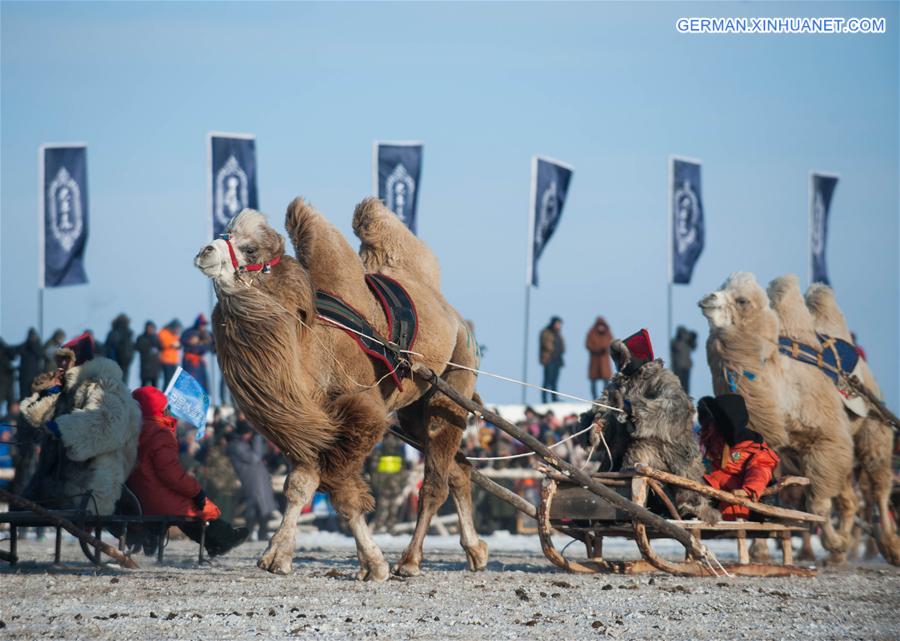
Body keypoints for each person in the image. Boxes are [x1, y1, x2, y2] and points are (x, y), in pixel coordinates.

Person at [19, 332, 141, 514]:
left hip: (89, 480)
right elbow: (34, 418)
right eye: (59, 360)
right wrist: (48, 395)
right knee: (21, 506)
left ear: (79, 361)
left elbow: (105, 421)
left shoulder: (100, 385)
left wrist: (63, 428)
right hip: (57, 475)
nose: (60, 365)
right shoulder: (66, 389)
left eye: (66, 360)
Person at [127, 387, 248, 557]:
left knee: (185, 507)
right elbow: (170, 473)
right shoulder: (159, 433)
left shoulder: (133, 431)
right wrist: (196, 490)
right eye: (164, 407)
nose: (167, 409)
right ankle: (224, 538)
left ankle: (215, 542)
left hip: (139, 496)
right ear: (158, 408)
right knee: (196, 505)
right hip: (156, 497)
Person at [698, 394, 780, 521]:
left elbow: (760, 469)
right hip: (718, 497)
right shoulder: (719, 444)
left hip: (745, 505)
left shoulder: (754, 450)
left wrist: (749, 490)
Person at [227, 415, 277, 541]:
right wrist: (258, 438)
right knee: (254, 508)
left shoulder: (243, 443)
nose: (250, 436)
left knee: (263, 508)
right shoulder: (236, 446)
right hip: (252, 480)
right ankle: (248, 534)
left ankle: (262, 533)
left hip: (259, 480)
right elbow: (255, 457)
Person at [181, 315, 213, 392]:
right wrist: (190, 342)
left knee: (202, 382)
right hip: (189, 361)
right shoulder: (188, 331)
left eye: (204, 324)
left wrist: (199, 343)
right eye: (201, 323)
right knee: (189, 381)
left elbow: (210, 345)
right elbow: (182, 341)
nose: (202, 326)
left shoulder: (206, 333)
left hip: (200, 362)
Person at [585, 317, 613, 398]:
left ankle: (605, 397)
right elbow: (588, 344)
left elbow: (611, 344)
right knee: (593, 381)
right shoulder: (591, 333)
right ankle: (594, 398)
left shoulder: (608, 333)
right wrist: (597, 349)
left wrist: (605, 349)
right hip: (595, 361)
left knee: (606, 381)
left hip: (604, 362)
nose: (601, 328)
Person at [539, 316, 565, 403]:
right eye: (557, 324)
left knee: (555, 380)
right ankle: (544, 400)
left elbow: (562, 346)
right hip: (549, 359)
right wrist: (553, 350)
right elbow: (546, 345)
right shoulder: (546, 332)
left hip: (557, 359)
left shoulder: (558, 333)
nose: (559, 326)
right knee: (547, 380)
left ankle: (554, 398)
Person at [105, 314, 135, 383]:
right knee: (123, 382)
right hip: (125, 361)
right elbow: (131, 348)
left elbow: (108, 348)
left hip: (119, 362)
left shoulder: (114, 332)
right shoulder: (128, 333)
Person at [17, 328, 44, 400]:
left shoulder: (37, 346)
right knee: (24, 397)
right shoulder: (25, 346)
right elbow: (14, 352)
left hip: (34, 376)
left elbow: (41, 355)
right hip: (25, 377)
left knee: (34, 396)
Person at [670, 325, 698, 393]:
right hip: (678, 367)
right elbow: (676, 347)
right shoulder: (676, 342)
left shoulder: (687, 342)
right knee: (678, 386)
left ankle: (685, 399)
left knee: (685, 387)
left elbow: (694, 346)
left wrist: (692, 337)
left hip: (685, 367)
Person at [134, 321, 163, 388]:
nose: (150, 329)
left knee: (155, 386)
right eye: (149, 327)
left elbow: (161, 347)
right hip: (145, 365)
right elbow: (137, 347)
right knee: (144, 385)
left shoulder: (156, 338)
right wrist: (147, 349)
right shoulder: (141, 337)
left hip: (155, 366)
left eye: (152, 328)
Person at [158, 319, 182, 387]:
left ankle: (169, 395)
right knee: (167, 380)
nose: (177, 331)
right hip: (166, 360)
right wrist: (171, 345)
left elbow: (179, 343)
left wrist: (178, 345)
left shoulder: (174, 335)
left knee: (172, 381)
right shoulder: (163, 332)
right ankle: (165, 395)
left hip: (173, 361)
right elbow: (162, 344)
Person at [0, 337, 17, 413]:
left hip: (7, 379)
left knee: (11, 402)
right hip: (5, 379)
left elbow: (13, 355)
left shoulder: (4, 347)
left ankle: (10, 420)